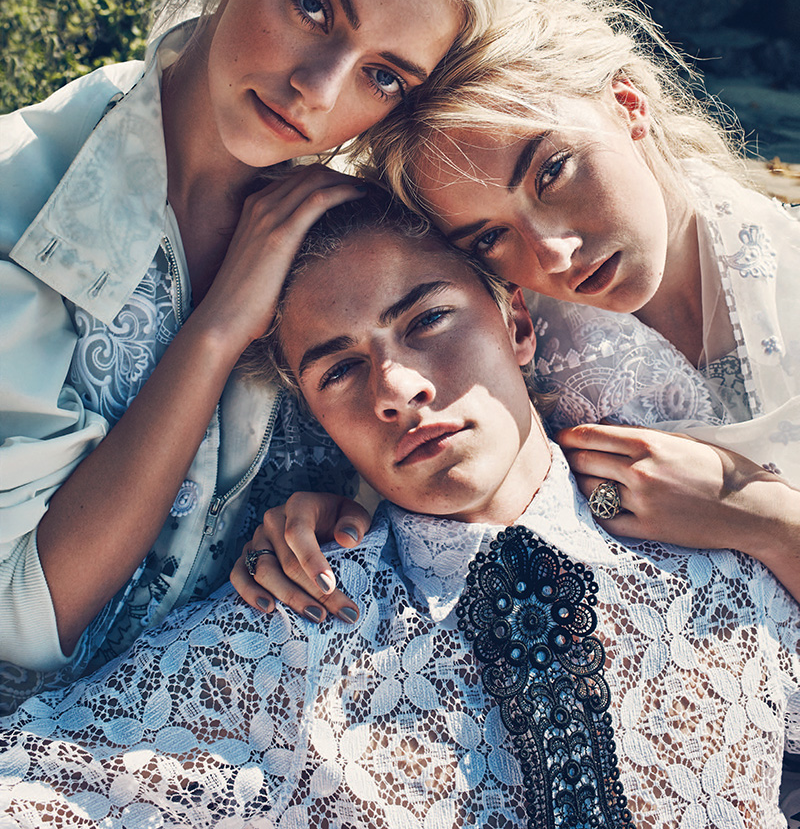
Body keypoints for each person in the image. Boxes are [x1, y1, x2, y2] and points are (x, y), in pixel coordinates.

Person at [0, 189, 798, 828]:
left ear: (518, 321)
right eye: (341, 369)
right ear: (315, 417)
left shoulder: (723, 550)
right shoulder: (285, 630)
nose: (397, 388)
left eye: (427, 320)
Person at [0, 0, 542, 710]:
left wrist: (355, 514)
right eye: (313, 5)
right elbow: (23, 618)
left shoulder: (383, 222)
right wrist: (217, 332)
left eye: (382, 74)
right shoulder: (24, 197)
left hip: (256, 732)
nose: (319, 91)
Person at [356, 0, 800, 601]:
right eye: (489, 238)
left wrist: (762, 517)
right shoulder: (502, 349)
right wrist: (329, 519)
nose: (553, 254)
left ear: (628, 103)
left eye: (552, 171)